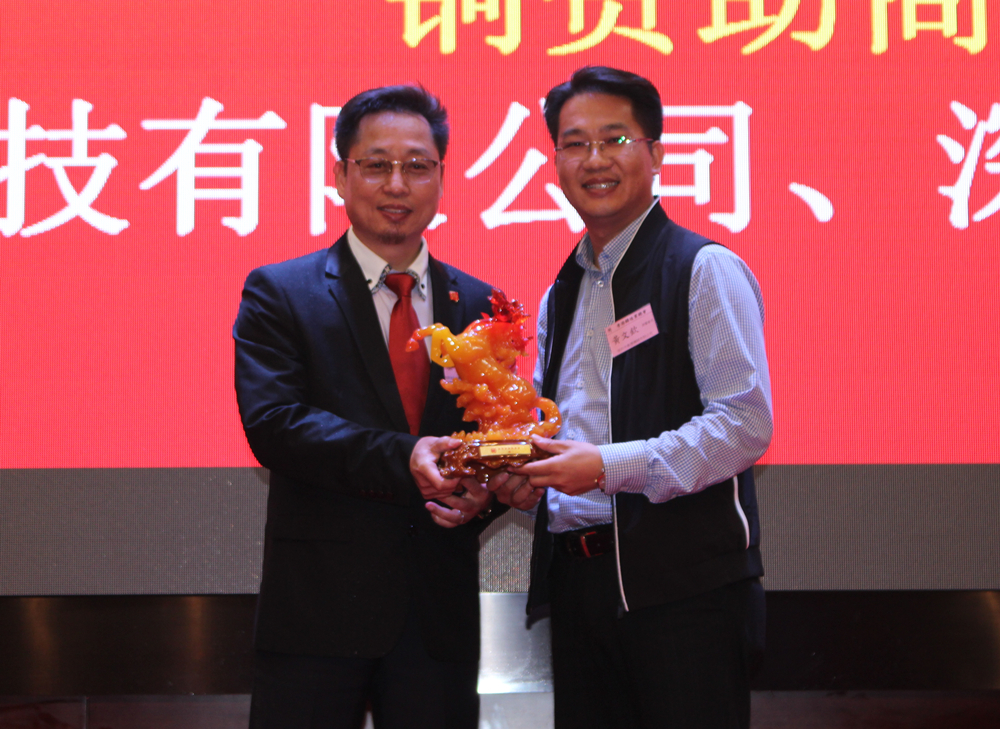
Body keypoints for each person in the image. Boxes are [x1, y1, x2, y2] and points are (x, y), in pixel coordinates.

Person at [491, 67, 773, 729]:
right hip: (580, 586)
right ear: (556, 161)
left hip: (684, 594)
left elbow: (743, 423)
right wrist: (528, 476)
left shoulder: (702, 268)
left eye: (615, 139)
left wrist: (605, 467)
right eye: (574, 143)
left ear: (657, 152)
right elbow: (567, 429)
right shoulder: (561, 292)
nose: (594, 160)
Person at [233, 84, 500, 729]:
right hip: (318, 616)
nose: (397, 184)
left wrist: (486, 490)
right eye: (376, 165)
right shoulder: (282, 292)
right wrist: (406, 456)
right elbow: (275, 426)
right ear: (340, 176)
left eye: (417, 165)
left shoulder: (480, 304)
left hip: (436, 618)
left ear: (441, 177)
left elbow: (490, 436)